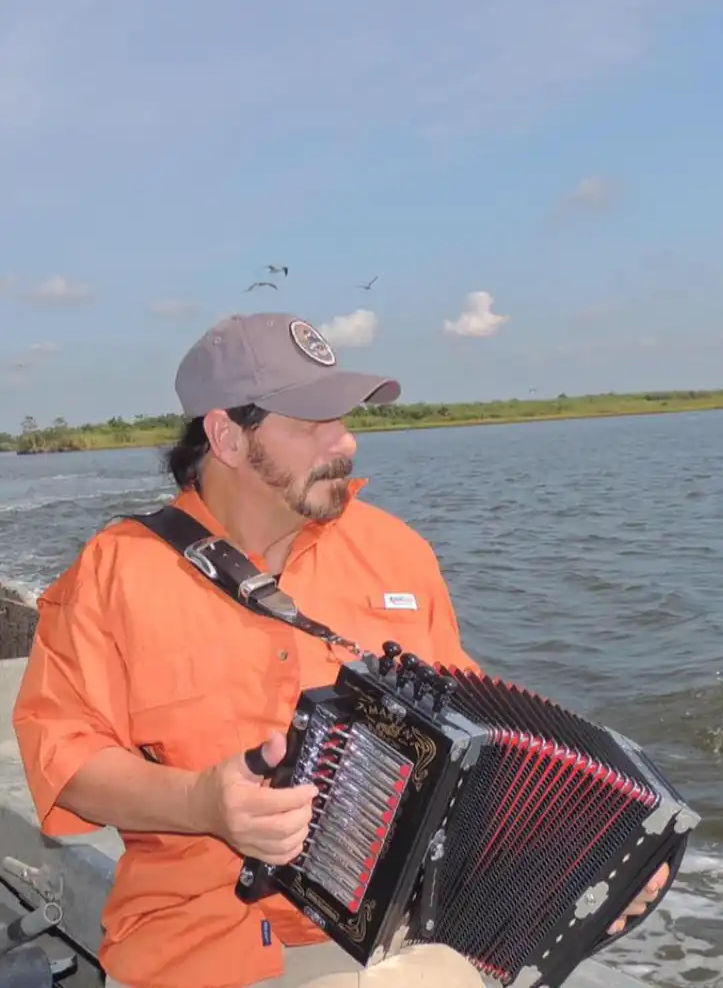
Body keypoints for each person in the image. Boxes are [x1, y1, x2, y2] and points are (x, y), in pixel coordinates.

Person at [12, 312, 669, 988]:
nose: (346, 442)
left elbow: (476, 757)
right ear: (227, 436)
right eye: (312, 423)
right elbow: (66, 762)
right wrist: (201, 804)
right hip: (194, 950)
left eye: (345, 418)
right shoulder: (115, 572)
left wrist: (590, 860)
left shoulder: (397, 553)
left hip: (396, 948)